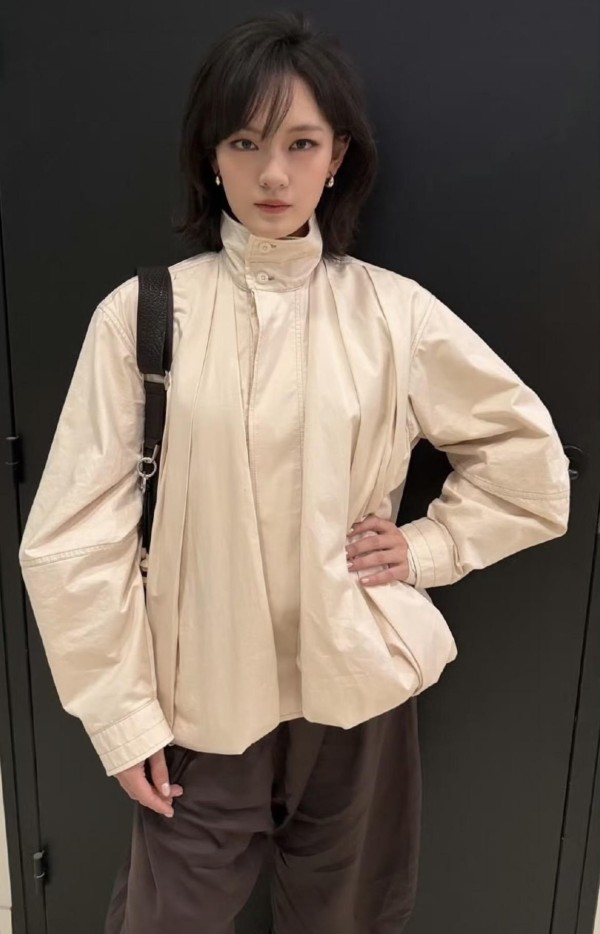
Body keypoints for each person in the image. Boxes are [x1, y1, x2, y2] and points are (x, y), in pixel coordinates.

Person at [18, 11, 571, 934]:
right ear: (211, 157)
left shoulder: (393, 314)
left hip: (356, 699)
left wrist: (428, 547)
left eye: (300, 143)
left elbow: (528, 463)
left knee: (348, 917)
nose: (273, 174)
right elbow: (73, 536)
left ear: (337, 156)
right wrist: (121, 719)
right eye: (245, 142)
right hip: (199, 703)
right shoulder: (146, 315)